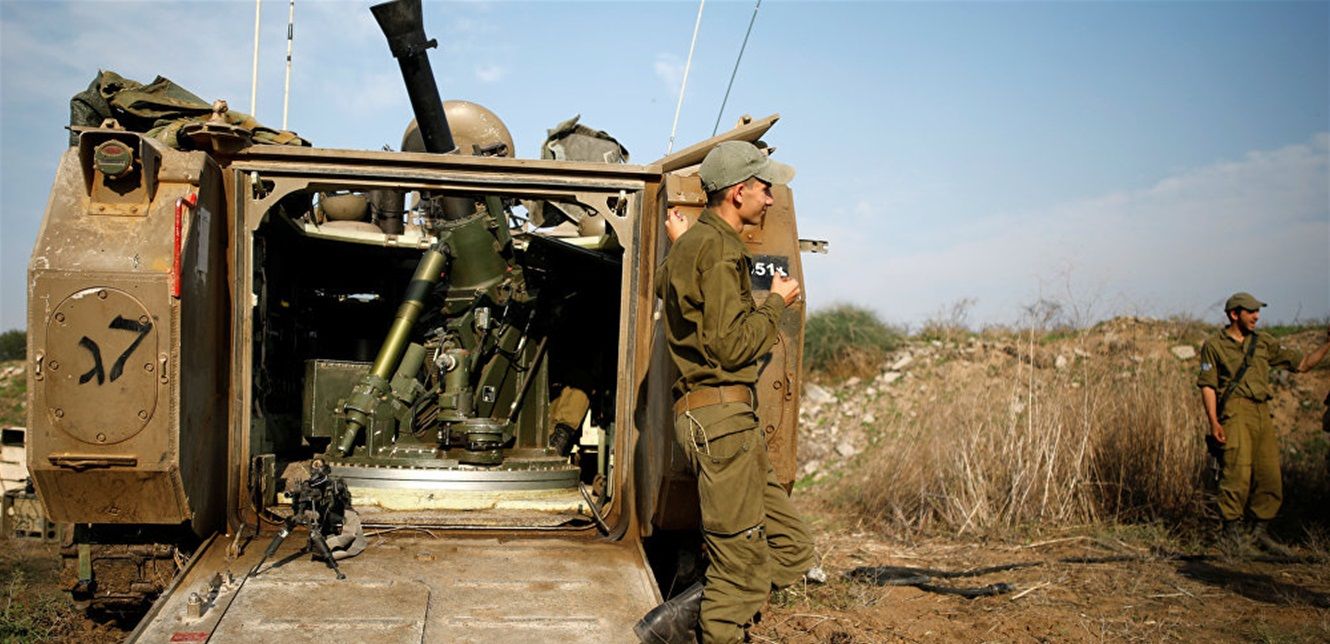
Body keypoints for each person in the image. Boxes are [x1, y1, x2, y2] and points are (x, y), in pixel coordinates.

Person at [636, 141, 813, 643]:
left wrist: (680, 241)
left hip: (724, 422)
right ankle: (719, 617)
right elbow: (730, 348)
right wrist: (775, 303)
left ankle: (683, 614)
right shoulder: (719, 250)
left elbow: (670, 284)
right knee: (738, 574)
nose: (771, 199)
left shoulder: (695, 246)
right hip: (722, 422)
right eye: (764, 188)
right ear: (739, 193)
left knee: (793, 547)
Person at [1197, 292, 1330, 555]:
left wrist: (1328, 344)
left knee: (1270, 476)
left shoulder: (1263, 342)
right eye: (1251, 312)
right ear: (1234, 314)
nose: (1256, 316)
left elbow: (1302, 364)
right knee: (1236, 473)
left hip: (1261, 411)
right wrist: (1214, 421)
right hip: (1235, 412)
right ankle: (1231, 537)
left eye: (1257, 311)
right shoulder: (1214, 345)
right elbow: (1208, 386)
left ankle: (1258, 534)